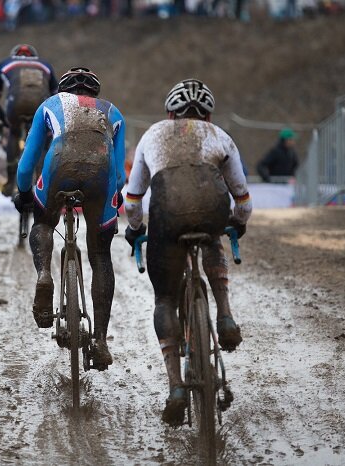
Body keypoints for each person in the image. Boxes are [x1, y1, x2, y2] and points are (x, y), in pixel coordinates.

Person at [123, 79, 251, 427]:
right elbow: (242, 197)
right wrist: (237, 223)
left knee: (164, 299)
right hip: (210, 209)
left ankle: (176, 387)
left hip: (168, 212)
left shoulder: (153, 134)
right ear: (208, 114)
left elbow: (132, 200)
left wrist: (135, 229)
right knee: (212, 239)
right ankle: (224, 315)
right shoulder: (219, 135)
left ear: (169, 113)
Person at [13, 67, 125, 370]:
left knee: (44, 223)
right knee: (101, 255)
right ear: (94, 94)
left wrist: (24, 194)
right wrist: (118, 195)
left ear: (62, 90)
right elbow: (120, 173)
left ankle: (44, 276)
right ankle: (100, 341)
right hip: (101, 176)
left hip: (59, 166)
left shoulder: (49, 105)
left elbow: (27, 164)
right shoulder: (113, 112)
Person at [0, 43, 58, 196]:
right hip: (41, 102)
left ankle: (10, 180)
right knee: (41, 140)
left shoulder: (4, 63)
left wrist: (7, 121)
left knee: (14, 133)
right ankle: (42, 181)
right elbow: (57, 97)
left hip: (16, 104)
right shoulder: (45, 64)